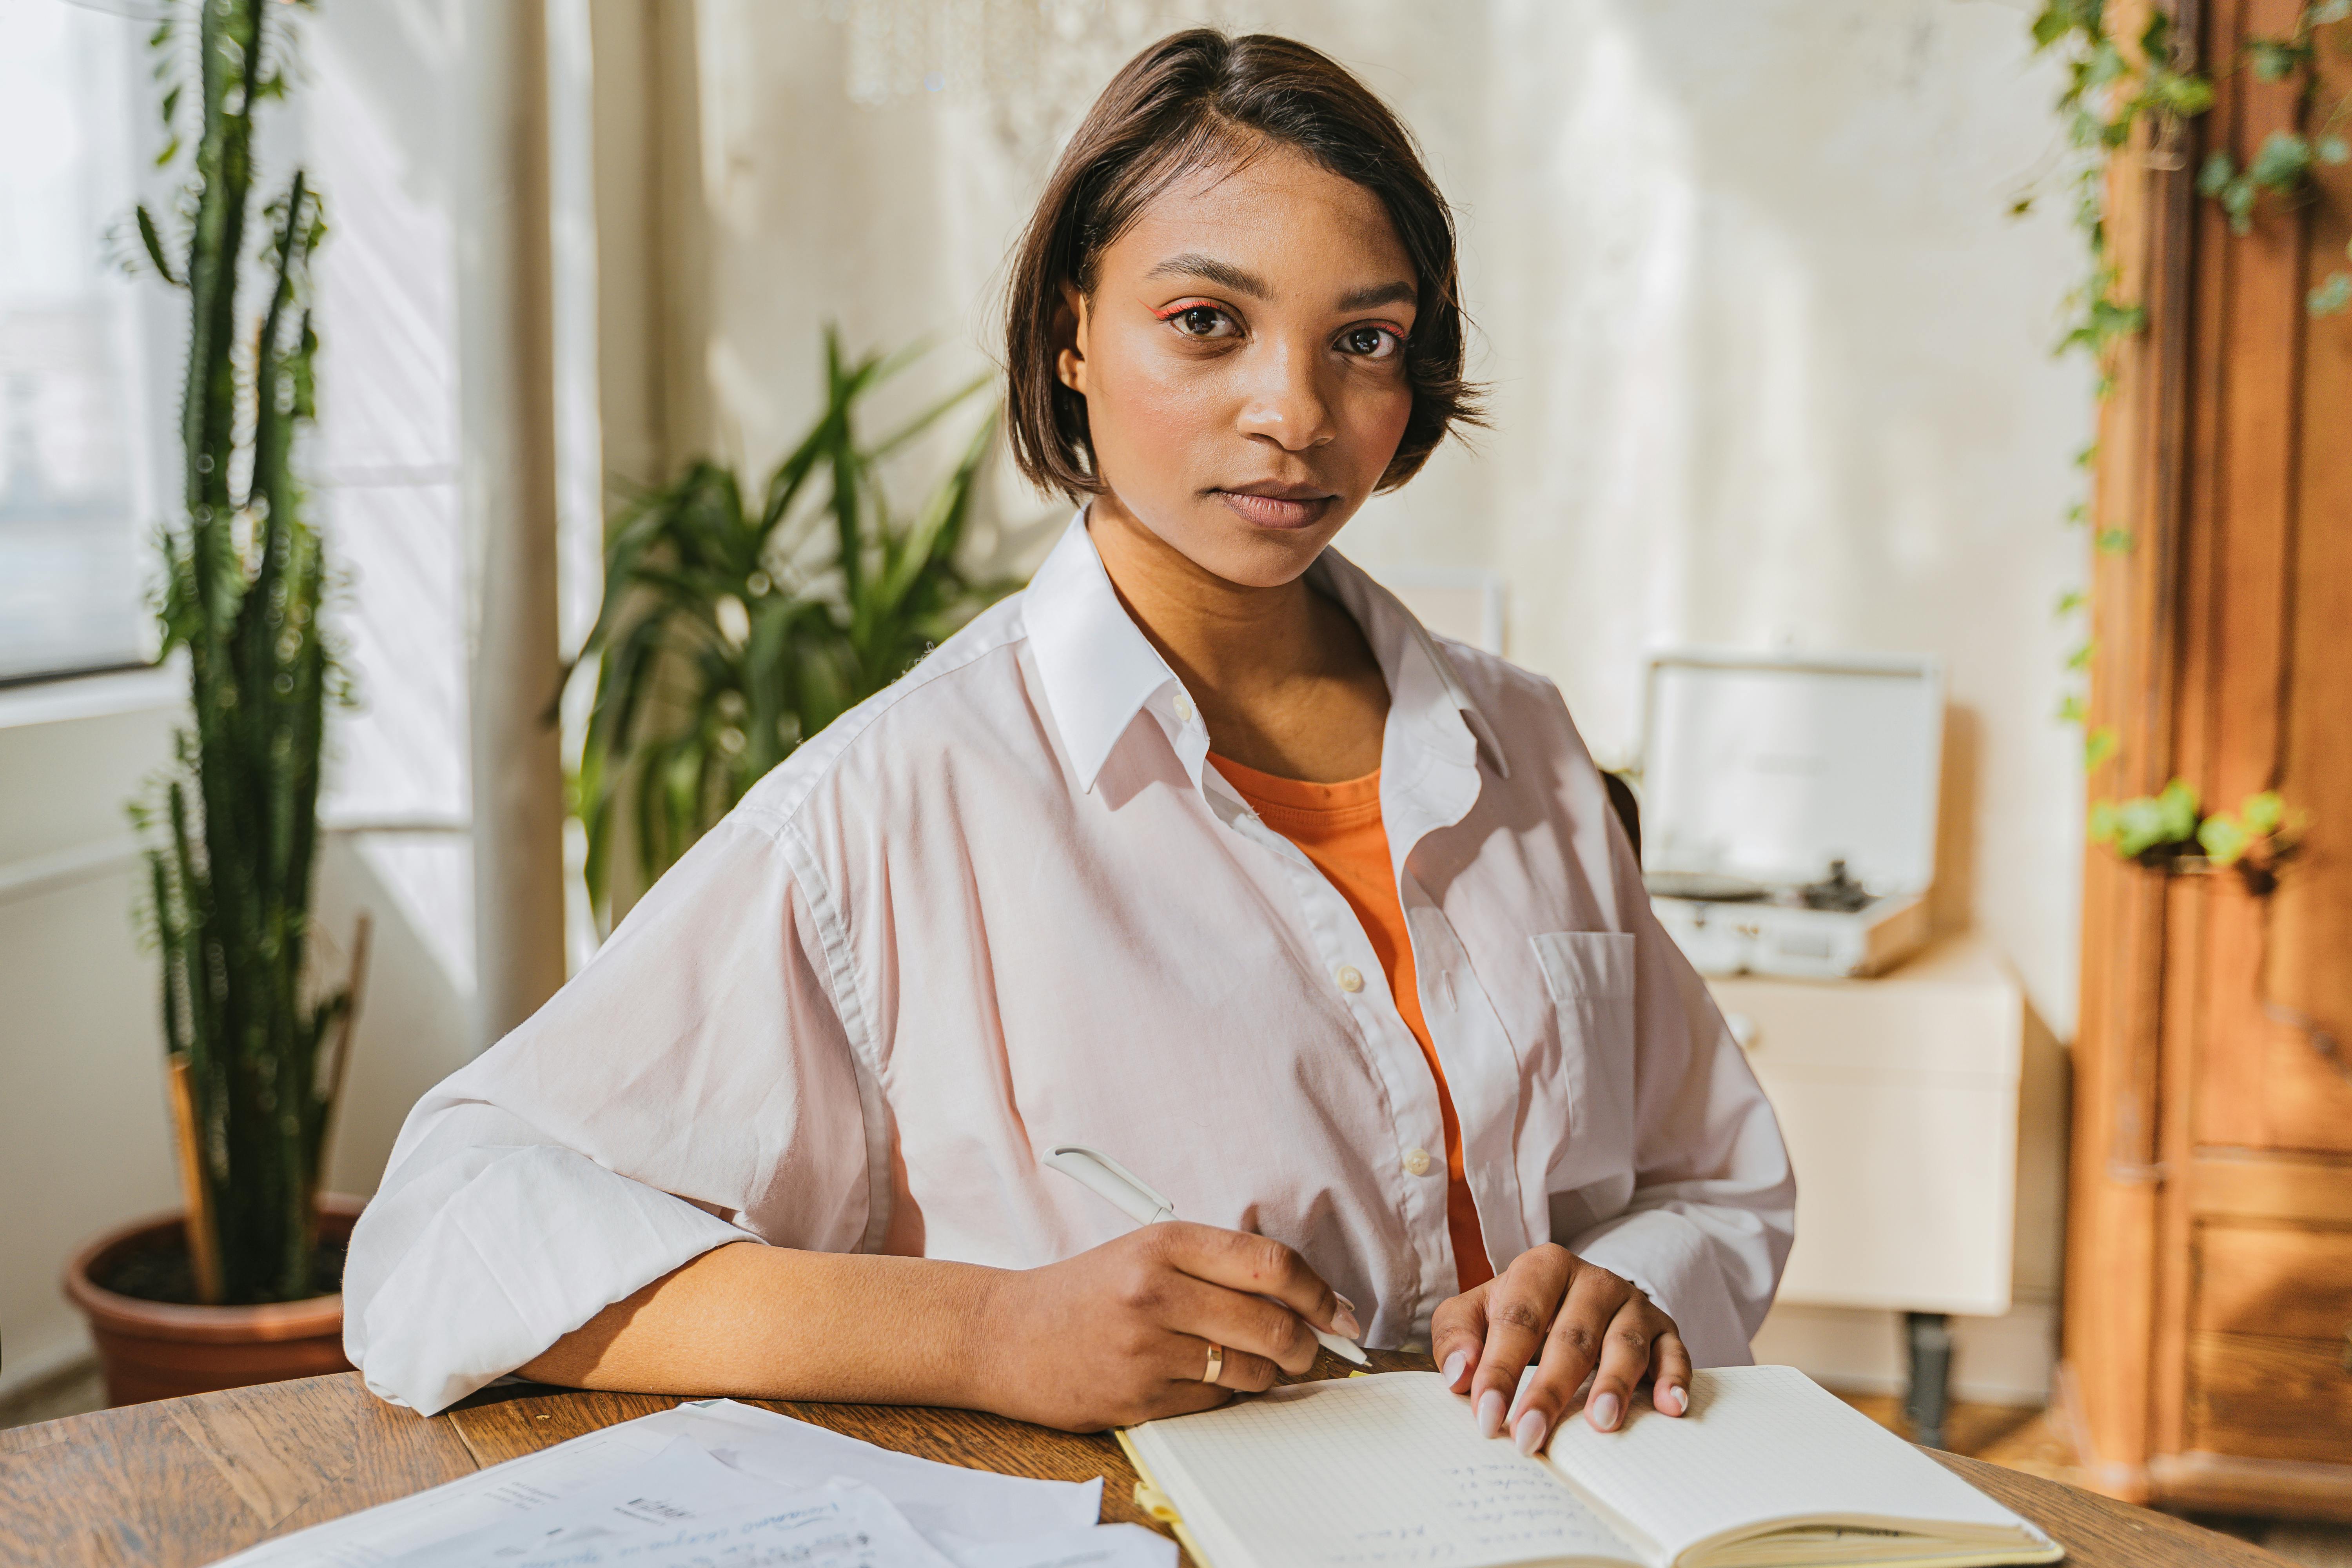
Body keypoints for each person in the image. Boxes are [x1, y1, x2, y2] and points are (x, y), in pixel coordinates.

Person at [344, 28, 1793, 1461]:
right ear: (1072, 335)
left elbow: (1715, 1179)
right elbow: (447, 1235)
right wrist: (986, 1333)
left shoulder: (1526, 745)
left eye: (1364, 340)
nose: (1295, 413)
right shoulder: (898, 806)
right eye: (1207, 322)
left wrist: (1630, 1290)